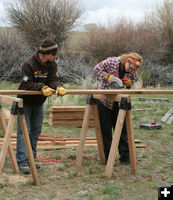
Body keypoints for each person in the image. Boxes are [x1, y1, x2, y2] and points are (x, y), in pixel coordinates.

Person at [16, 39, 66, 174]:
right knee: (23, 132)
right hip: (25, 103)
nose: (55, 56)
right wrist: (42, 87)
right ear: (45, 53)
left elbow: (52, 80)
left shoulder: (52, 65)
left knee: (35, 132)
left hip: (38, 103)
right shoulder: (28, 64)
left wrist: (58, 86)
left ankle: (31, 159)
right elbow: (26, 84)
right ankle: (23, 162)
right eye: (53, 54)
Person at [93, 52, 143, 164]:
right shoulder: (112, 61)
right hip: (104, 101)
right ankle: (108, 158)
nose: (131, 71)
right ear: (127, 61)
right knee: (106, 131)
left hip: (120, 102)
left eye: (134, 70)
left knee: (122, 130)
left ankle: (125, 157)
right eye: (130, 68)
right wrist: (106, 76)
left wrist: (129, 84)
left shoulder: (132, 71)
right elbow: (96, 69)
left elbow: (130, 84)